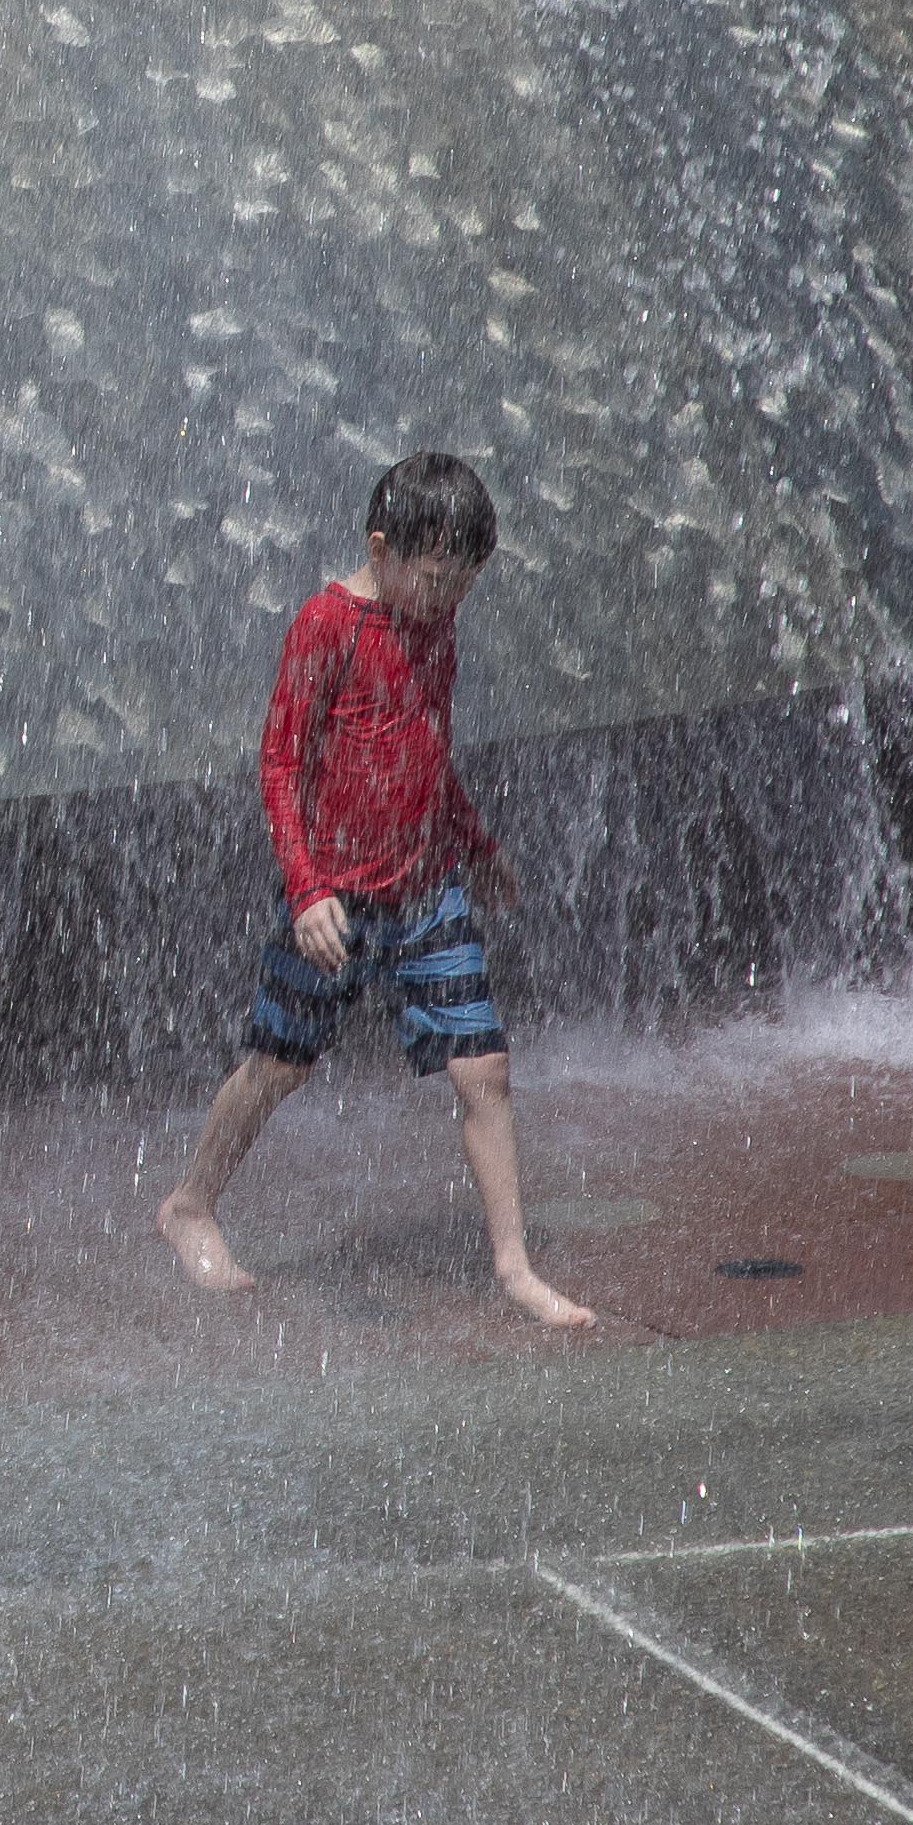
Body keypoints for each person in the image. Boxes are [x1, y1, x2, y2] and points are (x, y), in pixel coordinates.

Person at [158, 451, 594, 1329]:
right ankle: (190, 1204)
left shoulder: (436, 623)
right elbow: (279, 763)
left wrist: (474, 841)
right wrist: (306, 888)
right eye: (433, 578)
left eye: (463, 583)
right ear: (380, 548)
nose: (447, 599)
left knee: (483, 1068)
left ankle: (513, 1265)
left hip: (425, 885)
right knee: (279, 1064)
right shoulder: (327, 623)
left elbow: (425, 744)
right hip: (330, 898)